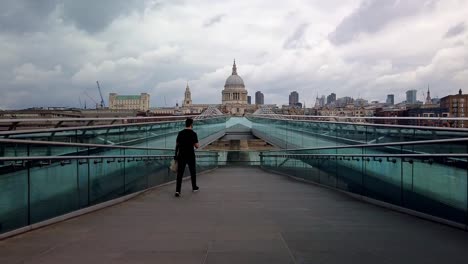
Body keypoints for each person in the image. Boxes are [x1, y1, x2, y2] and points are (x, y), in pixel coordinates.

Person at [174, 118, 200, 197]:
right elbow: (197, 146)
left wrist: (176, 154)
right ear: (191, 124)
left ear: (185, 124)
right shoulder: (193, 134)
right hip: (190, 155)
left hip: (181, 155)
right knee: (193, 172)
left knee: (180, 174)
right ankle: (194, 187)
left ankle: (178, 191)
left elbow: (176, 145)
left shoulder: (180, 133)